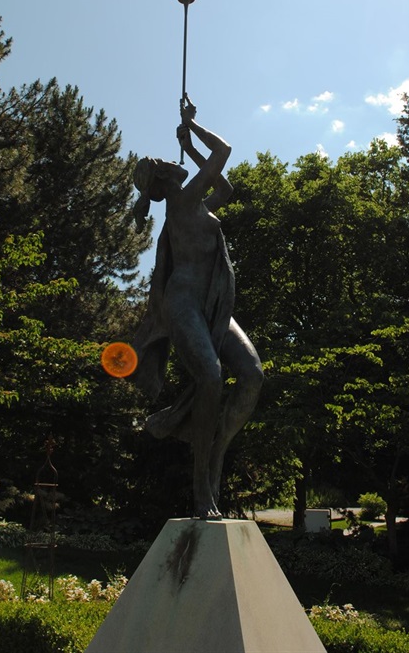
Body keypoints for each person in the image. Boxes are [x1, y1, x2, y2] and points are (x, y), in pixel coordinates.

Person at [132, 95, 263, 519]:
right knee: (211, 377)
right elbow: (223, 154)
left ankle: (211, 447)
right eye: (168, 161)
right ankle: (200, 492)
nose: (176, 162)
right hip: (185, 301)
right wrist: (195, 125)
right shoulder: (183, 202)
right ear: (164, 180)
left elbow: (224, 186)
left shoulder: (195, 204)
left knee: (251, 376)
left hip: (211, 304)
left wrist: (187, 145)